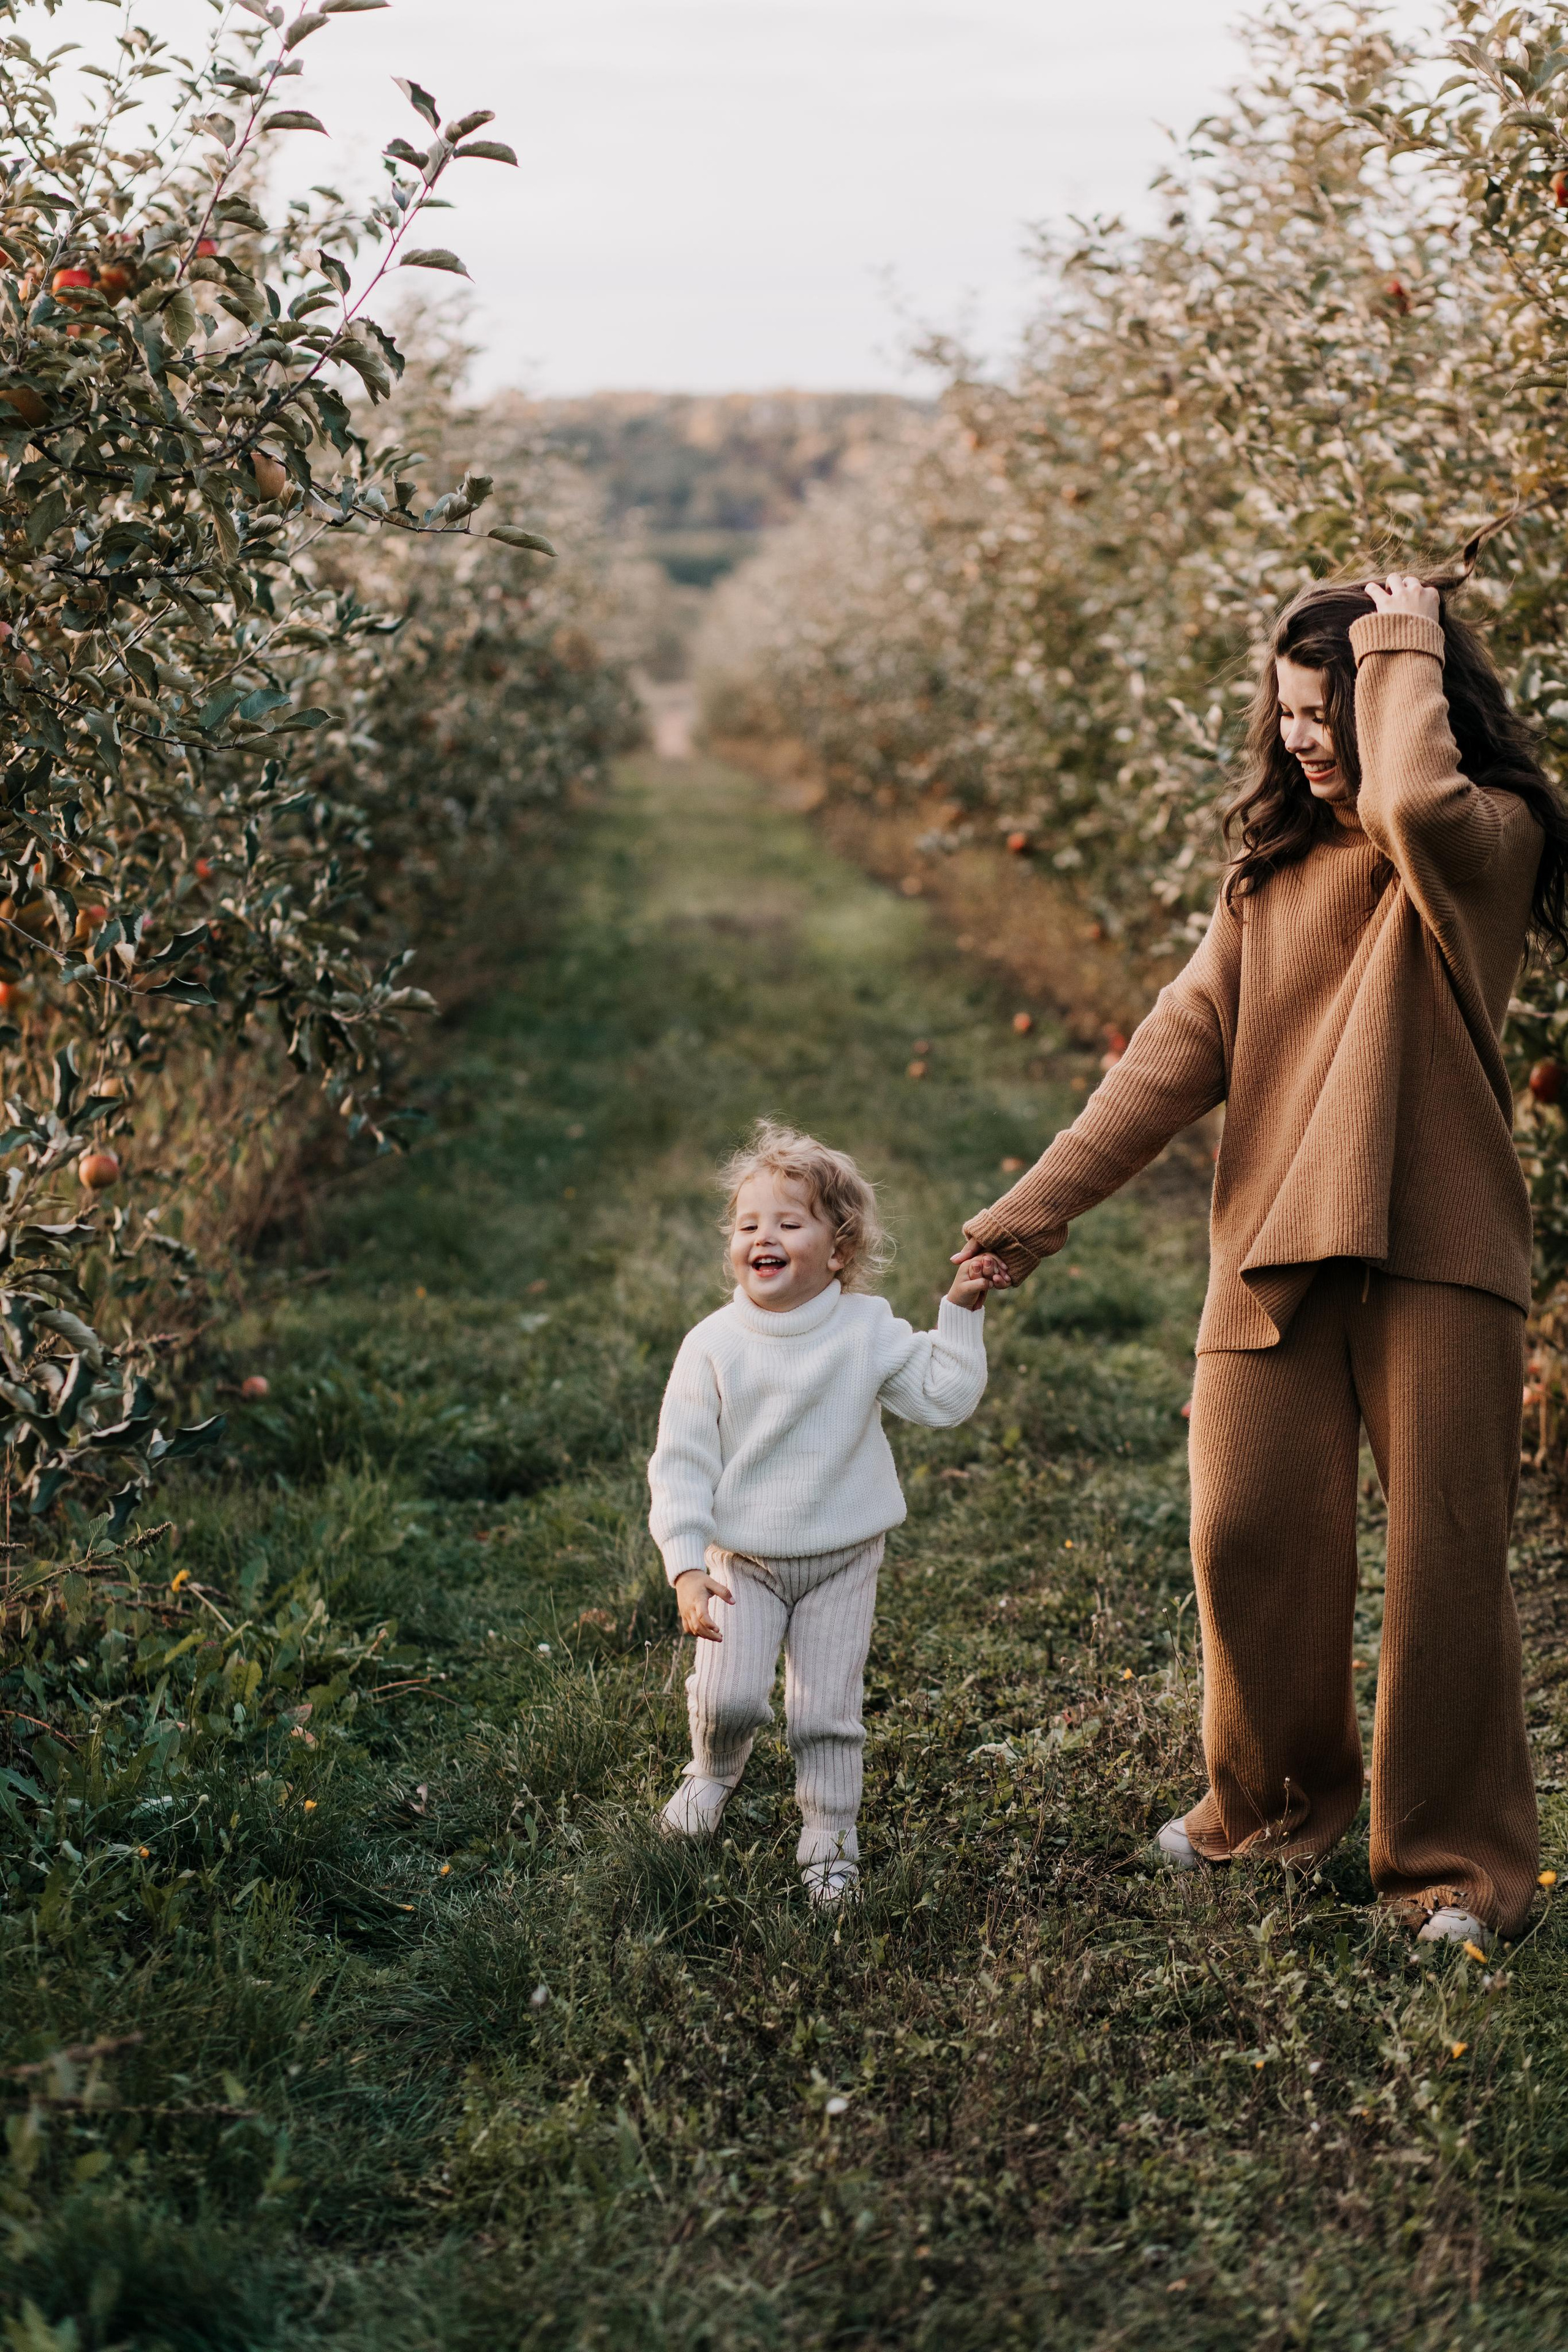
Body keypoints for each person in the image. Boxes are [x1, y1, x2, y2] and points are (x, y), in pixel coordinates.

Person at [955, 573, 1568, 1947]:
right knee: (1243, 1533)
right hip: (1274, 1242)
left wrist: (1398, 638)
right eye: (1286, 711)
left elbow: (1413, 803)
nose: (1302, 738)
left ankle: (1455, 1872)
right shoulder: (1267, 879)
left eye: (1329, 710)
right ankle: (1270, 1810)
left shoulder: (1483, 840)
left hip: (1439, 1244)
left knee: (1445, 1565)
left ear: (1405, 696)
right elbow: (1173, 1052)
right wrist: (1033, 1212)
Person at [649, 1119, 1008, 1902]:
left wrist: (960, 1309)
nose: (762, 1238)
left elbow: (943, 1399)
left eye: (788, 1223)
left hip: (842, 1558)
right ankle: (710, 1773)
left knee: (824, 1716)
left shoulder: (864, 1330)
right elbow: (680, 1463)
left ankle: (830, 1835)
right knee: (727, 1698)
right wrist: (685, 1564)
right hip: (740, 1561)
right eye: (747, 1225)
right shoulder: (712, 1344)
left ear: (838, 1250)